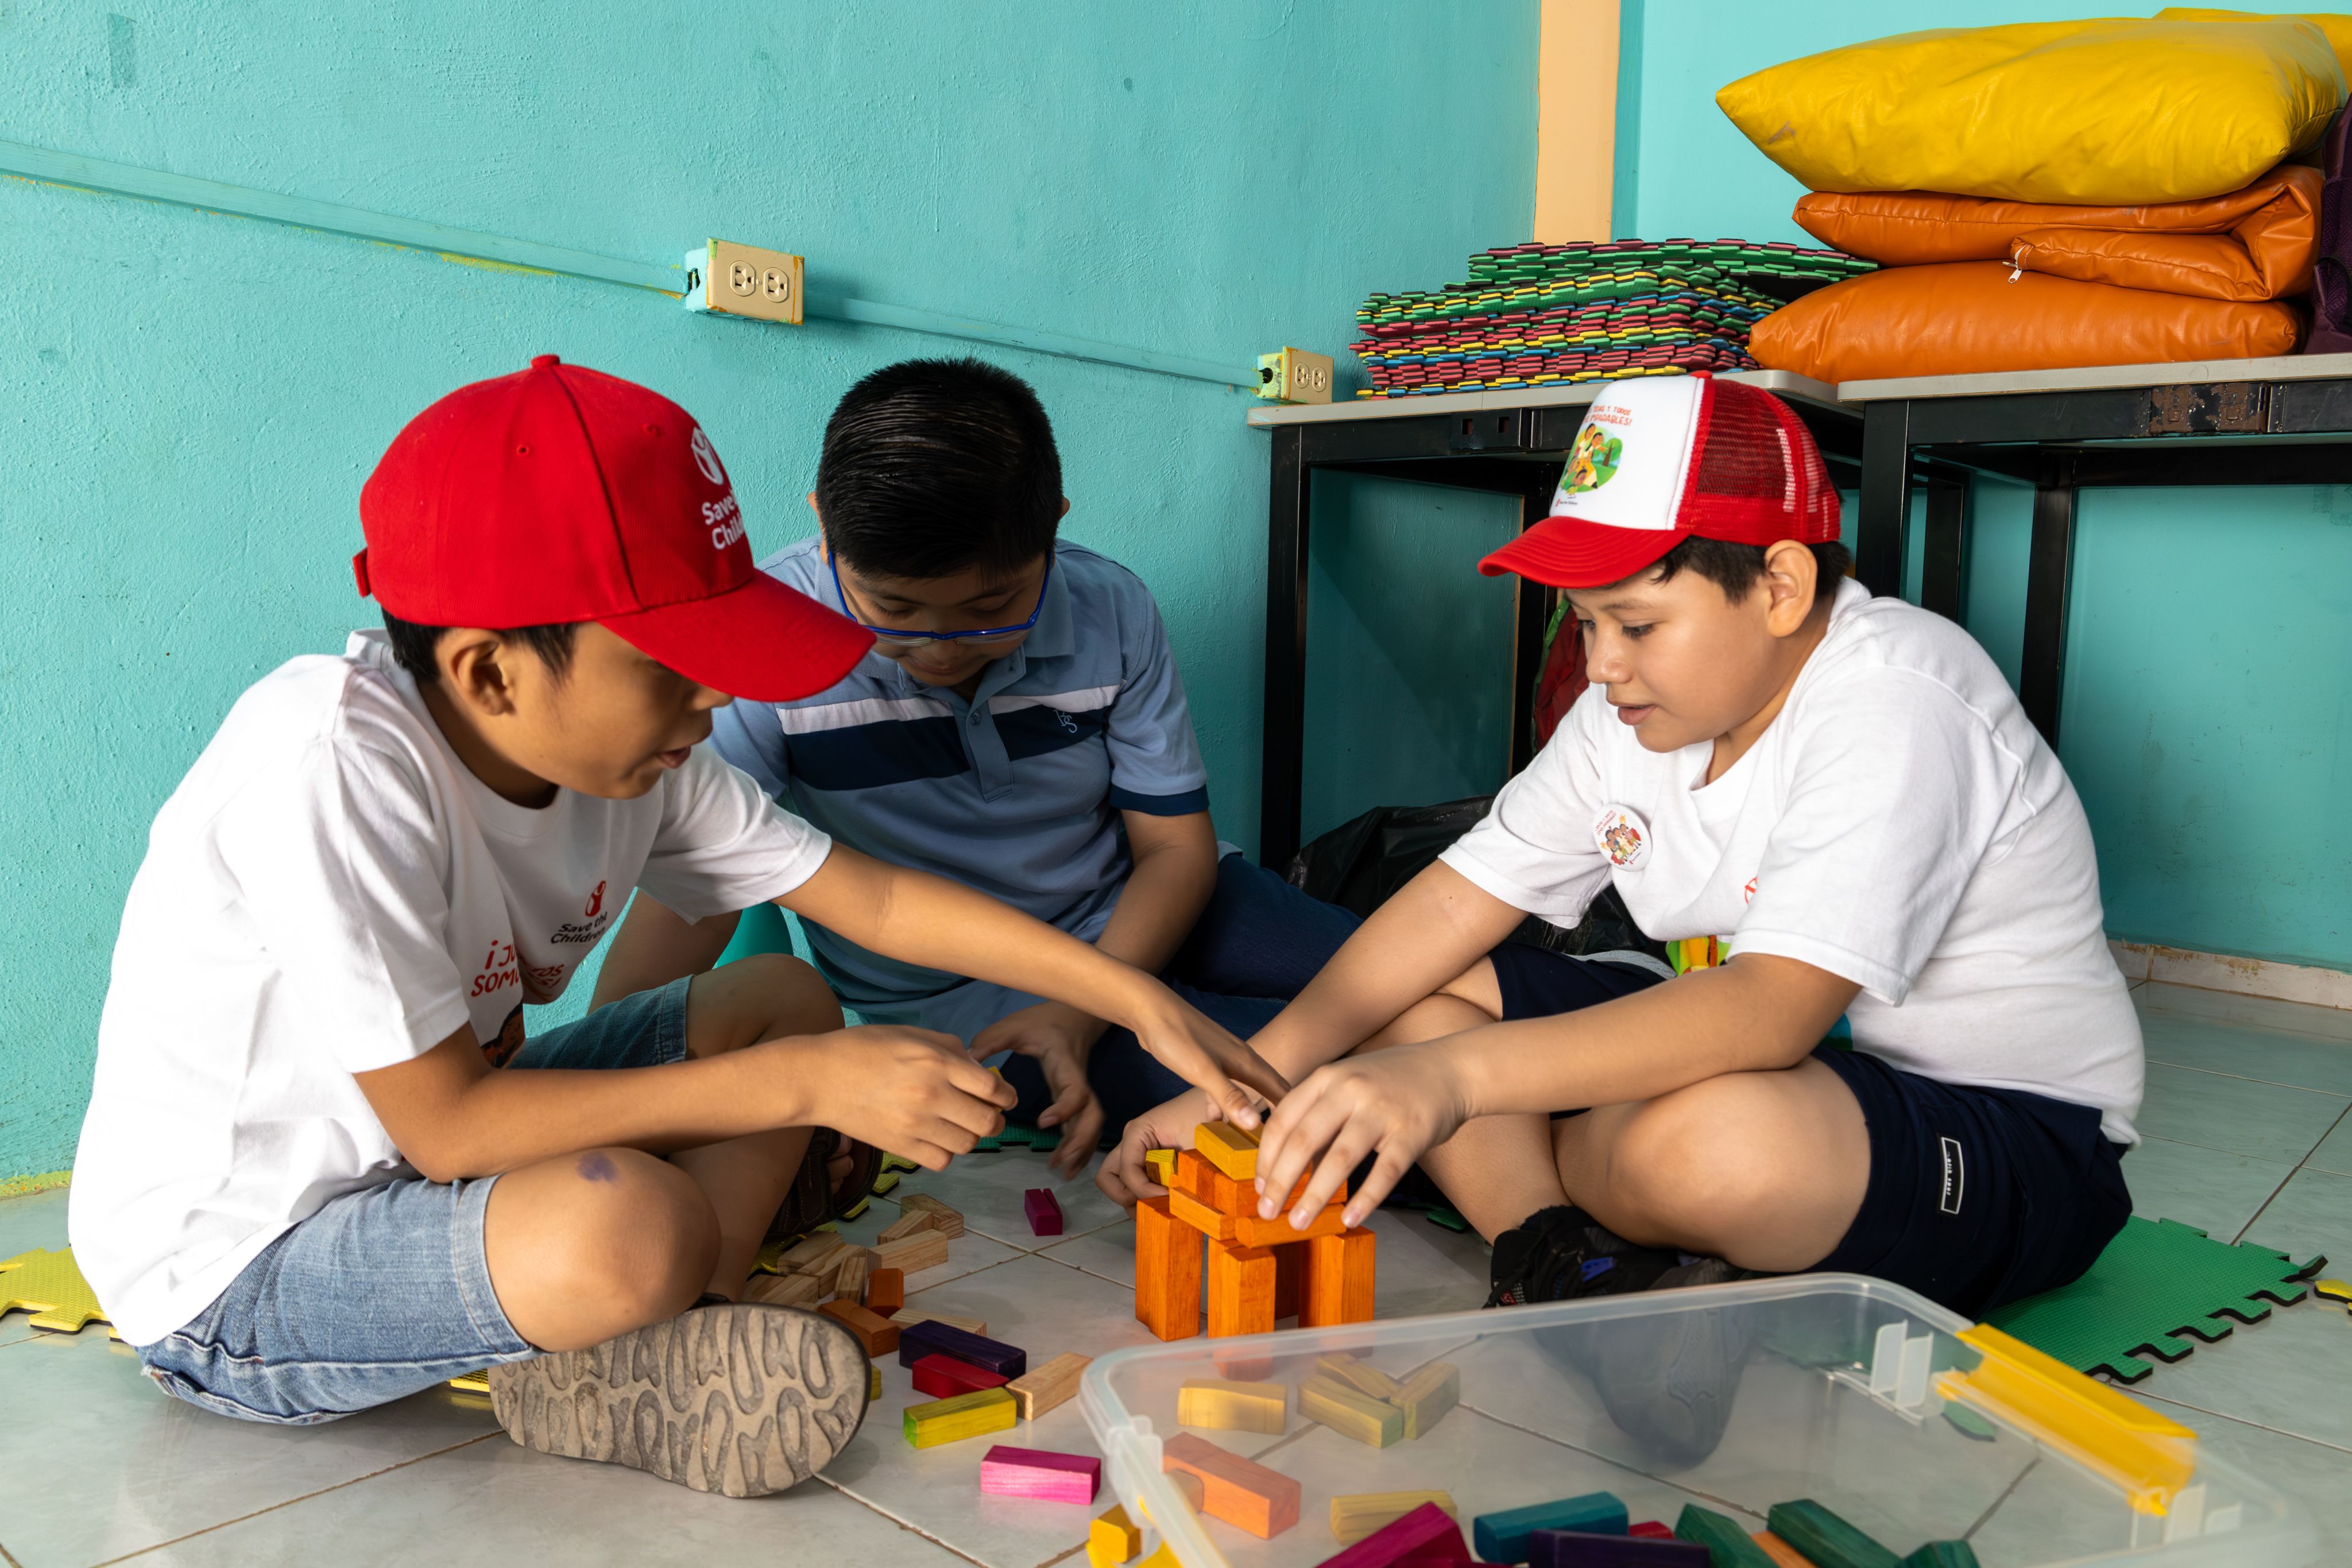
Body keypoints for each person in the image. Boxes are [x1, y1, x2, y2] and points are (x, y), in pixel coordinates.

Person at [68, 356, 1282, 1497]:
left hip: (425, 1165)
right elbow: (448, 1128)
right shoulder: (330, 762)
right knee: (634, 1209)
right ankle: (643, 1279)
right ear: (493, 674)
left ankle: (670, 1332)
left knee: (784, 1000)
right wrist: (804, 1085)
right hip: (246, 1266)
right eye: (676, 664)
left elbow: (875, 899)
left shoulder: (647, 755)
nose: (715, 698)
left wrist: (1132, 996)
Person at [1105, 373, 2142, 1331]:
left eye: (1636, 623)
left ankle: (1542, 1182)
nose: (1600, 666)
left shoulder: (1898, 696)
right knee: (1419, 1001)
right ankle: (1554, 1253)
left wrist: (1454, 1088)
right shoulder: (1630, 713)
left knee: (1702, 1145)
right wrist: (1241, 1085)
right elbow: (1451, 904)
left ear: (1781, 586)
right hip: (1804, 1073)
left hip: (2013, 1132)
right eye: (1583, 624)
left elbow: (1770, 1009)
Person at [594, 358, 1359, 1176]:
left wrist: (1094, 1000)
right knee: (1326, 1084)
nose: (942, 645)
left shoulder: (1114, 607)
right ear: (825, 528)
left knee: (1430, 989)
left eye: (992, 609)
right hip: (978, 1002)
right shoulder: (768, 651)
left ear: (1053, 529)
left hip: (1152, 909)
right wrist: (595, 1074)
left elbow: (1175, 851)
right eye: (894, 610)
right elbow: (703, 890)